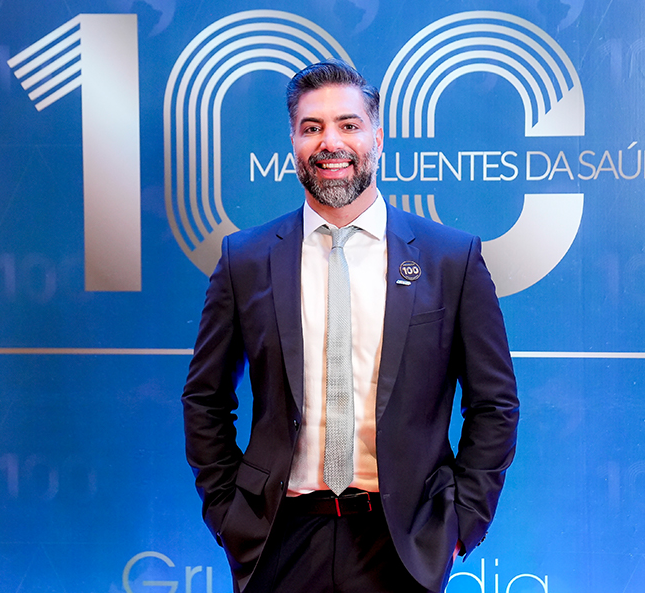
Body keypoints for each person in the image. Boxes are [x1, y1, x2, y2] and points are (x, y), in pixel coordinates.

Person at [182, 59, 519, 593]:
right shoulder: (244, 259)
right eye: (311, 127)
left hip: (404, 543)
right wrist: (229, 515)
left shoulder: (451, 259)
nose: (330, 142)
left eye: (348, 124)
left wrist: (461, 522)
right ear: (293, 143)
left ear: (377, 138)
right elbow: (205, 399)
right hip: (278, 539)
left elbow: (494, 404)